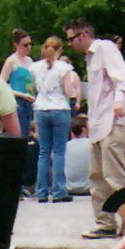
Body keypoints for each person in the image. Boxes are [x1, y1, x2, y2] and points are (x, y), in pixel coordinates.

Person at [67, 18, 125, 238]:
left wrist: (118, 103)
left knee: (115, 174)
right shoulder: (90, 58)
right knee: (97, 176)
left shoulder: (105, 48)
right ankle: (105, 223)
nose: (70, 44)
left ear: (84, 35)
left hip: (113, 120)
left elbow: (122, 78)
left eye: (71, 38)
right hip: (98, 123)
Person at [31, 35, 79, 203]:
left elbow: (33, 88)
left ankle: (42, 192)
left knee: (43, 152)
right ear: (59, 50)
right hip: (59, 108)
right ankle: (59, 192)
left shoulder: (35, 67)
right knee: (58, 152)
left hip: (41, 109)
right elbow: (68, 92)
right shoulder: (64, 67)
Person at [0, 30, 38, 193]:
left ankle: (23, 182)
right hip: (18, 102)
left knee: (27, 141)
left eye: (30, 44)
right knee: (19, 140)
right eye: (25, 45)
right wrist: (21, 94)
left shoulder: (29, 61)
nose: (29, 47)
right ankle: (16, 183)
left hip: (30, 102)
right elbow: (1, 83)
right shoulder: (11, 61)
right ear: (16, 45)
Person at [64, 114, 91, 196]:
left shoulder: (64, 146)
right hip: (89, 188)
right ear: (84, 130)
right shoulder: (92, 145)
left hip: (68, 188)